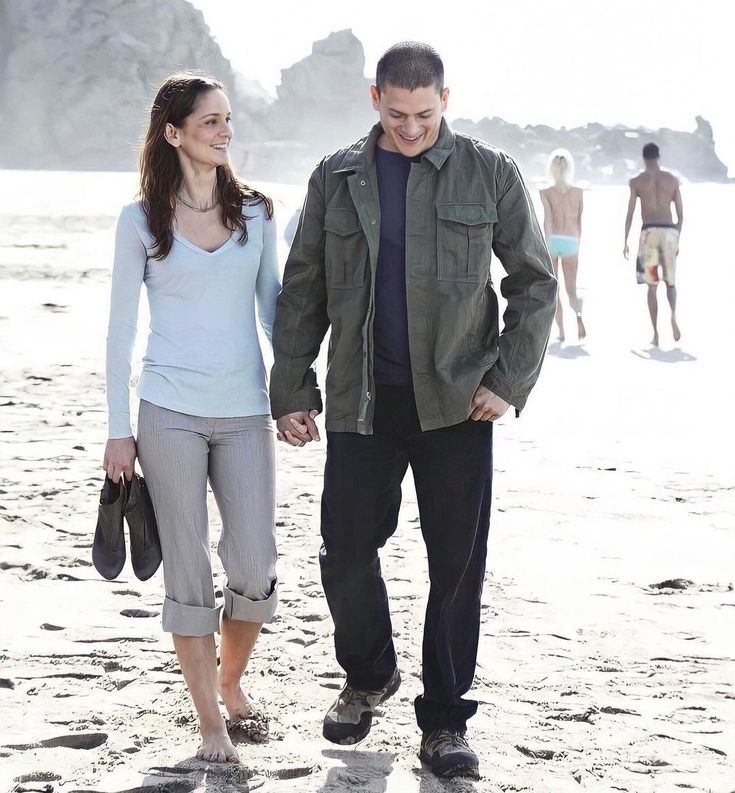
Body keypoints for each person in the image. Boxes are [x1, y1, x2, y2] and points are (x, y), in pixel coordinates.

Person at [270, 42, 556, 780]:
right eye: (396, 113)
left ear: (444, 99)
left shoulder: (489, 172)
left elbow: (533, 282)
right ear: (374, 99)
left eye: (423, 114)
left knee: (455, 563)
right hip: (360, 401)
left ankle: (445, 721)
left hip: (459, 403)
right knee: (344, 549)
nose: (409, 127)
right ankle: (369, 675)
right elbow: (301, 288)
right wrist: (292, 386)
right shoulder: (336, 176)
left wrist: (507, 379)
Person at [102, 73, 280, 763]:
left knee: (252, 562)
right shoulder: (138, 220)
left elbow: (274, 310)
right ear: (173, 132)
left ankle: (229, 680)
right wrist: (120, 428)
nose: (223, 131)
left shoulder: (258, 213)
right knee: (188, 570)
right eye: (208, 122)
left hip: (243, 409)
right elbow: (120, 331)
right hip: (167, 409)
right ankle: (212, 723)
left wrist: (296, 391)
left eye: (226, 119)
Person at [624, 142, 683, 346]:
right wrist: (677, 238)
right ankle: (673, 315)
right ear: (659, 157)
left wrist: (625, 241)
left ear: (644, 158)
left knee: (651, 285)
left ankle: (656, 334)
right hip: (668, 232)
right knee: (671, 282)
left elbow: (630, 214)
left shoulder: (637, 182)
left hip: (648, 233)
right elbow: (681, 215)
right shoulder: (672, 180)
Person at [540, 149, 586, 342]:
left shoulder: (545, 192)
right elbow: (579, 222)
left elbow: (547, 221)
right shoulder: (578, 192)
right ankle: (579, 317)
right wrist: (577, 244)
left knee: (555, 289)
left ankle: (561, 332)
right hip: (571, 243)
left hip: (553, 242)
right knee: (571, 289)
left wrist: (546, 243)